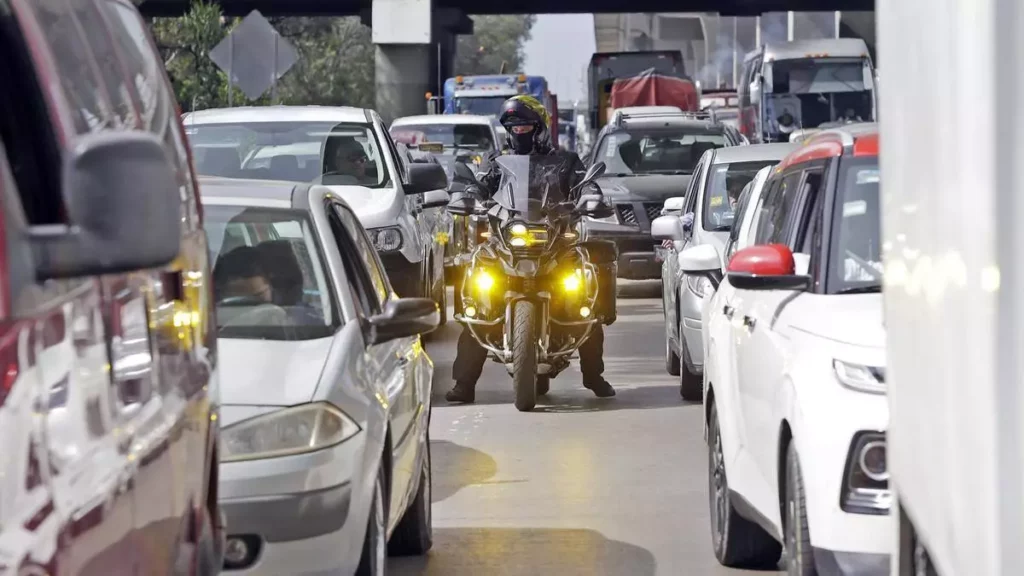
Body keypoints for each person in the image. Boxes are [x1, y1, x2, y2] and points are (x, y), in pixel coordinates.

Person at [446, 95, 616, 403]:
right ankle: (464, 383)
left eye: (525, 126)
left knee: (586, 306)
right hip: (507, 241)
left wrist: (590, 195)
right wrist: (470, 193)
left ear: (540, 128)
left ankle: (593, 375)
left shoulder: (566, 162)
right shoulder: (498, 164)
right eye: (514, 127)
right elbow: (482, 185)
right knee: (476, 305)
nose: (519, 132)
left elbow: (582, 184)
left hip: (554, 242)